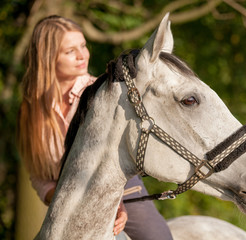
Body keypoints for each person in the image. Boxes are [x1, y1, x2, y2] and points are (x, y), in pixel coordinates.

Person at [16, 15, 173, 239]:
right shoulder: (30, 110)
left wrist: (111, 203)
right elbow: (38, 175)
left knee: (158, 238)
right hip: (66, 203)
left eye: (83, 45)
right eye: (70, 51)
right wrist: (61, 197)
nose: (82, 55)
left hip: (122, 190)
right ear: (47, 58)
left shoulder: (101, 92)